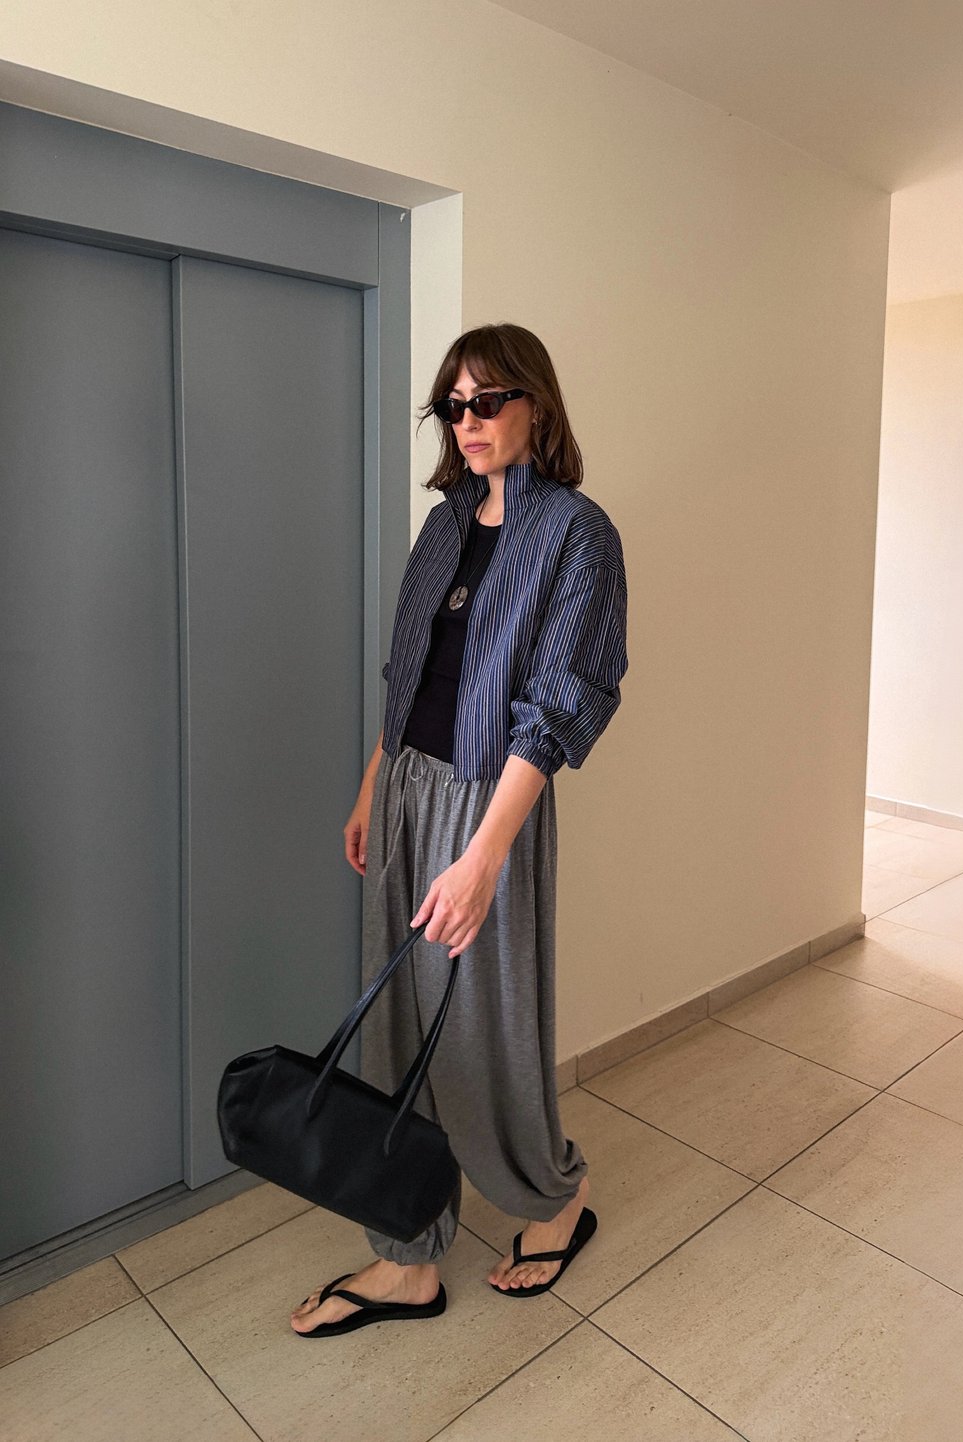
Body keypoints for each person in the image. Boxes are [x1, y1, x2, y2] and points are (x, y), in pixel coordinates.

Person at [290, 323, 627, 1338]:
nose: (467, 421)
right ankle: (407, 1254)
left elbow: (564, 701)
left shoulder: (577, 533)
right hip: (406, 789)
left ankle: (552, 1197)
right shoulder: (442, 525)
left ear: (535, 403)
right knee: (395, 1025)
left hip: (490, 802)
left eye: (487, 401)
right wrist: (372, 785)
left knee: (483, 1023)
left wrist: (483, 855)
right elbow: (410, 673)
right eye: (453, 405)